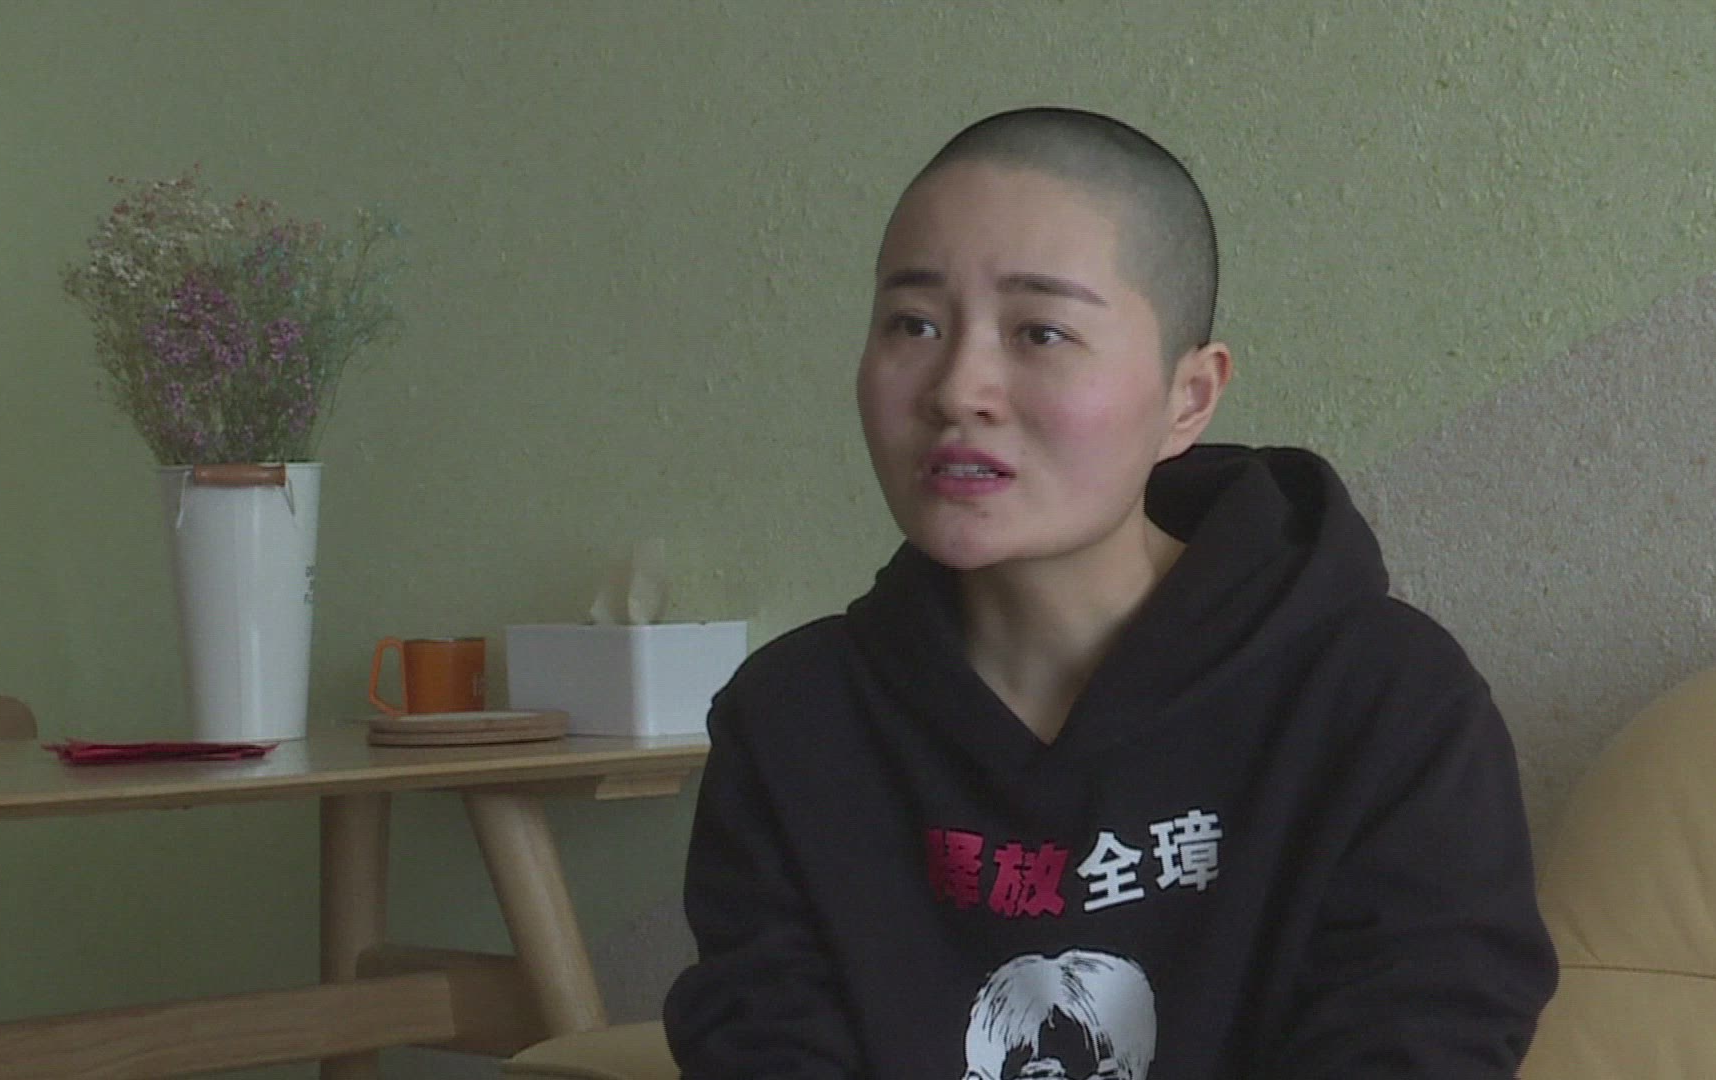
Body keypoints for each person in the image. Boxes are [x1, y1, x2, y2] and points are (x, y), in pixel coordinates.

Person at [663, 106, 1556, 1078]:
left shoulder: (1382, 699)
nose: (958, 389)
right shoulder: (795, 721)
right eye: (914, 324)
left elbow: (1423, 1039)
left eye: (1040, 332)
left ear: (1189, 398)